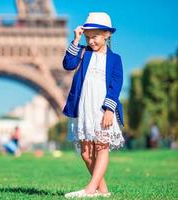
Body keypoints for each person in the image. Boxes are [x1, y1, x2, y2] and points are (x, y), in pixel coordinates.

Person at [62, 12, 125, 198]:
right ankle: (103, 190)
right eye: (88, 37)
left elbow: (116, 85)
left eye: (95, 37)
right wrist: (76, 40)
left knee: (101, 147)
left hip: (103, 108)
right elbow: (67, 64)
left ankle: (90, 189)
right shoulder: (82, 52)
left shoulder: (115, 59)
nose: (91, 41)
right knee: (86, 153)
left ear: (107, 34)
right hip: (84, 107)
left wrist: (109, 109)